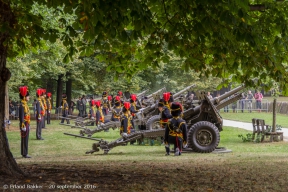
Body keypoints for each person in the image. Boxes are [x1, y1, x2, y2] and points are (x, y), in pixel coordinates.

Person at [19, 86, 31, 158]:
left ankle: (25, 152)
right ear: (24, 97)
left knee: (26, 138)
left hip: (27, 123)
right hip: (24, 124)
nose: (29, 97)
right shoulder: (22, 105)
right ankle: (24, 153)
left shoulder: (25, 105)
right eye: (27, 96)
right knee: (24, 139)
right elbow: (21, 117)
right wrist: (22, 125)